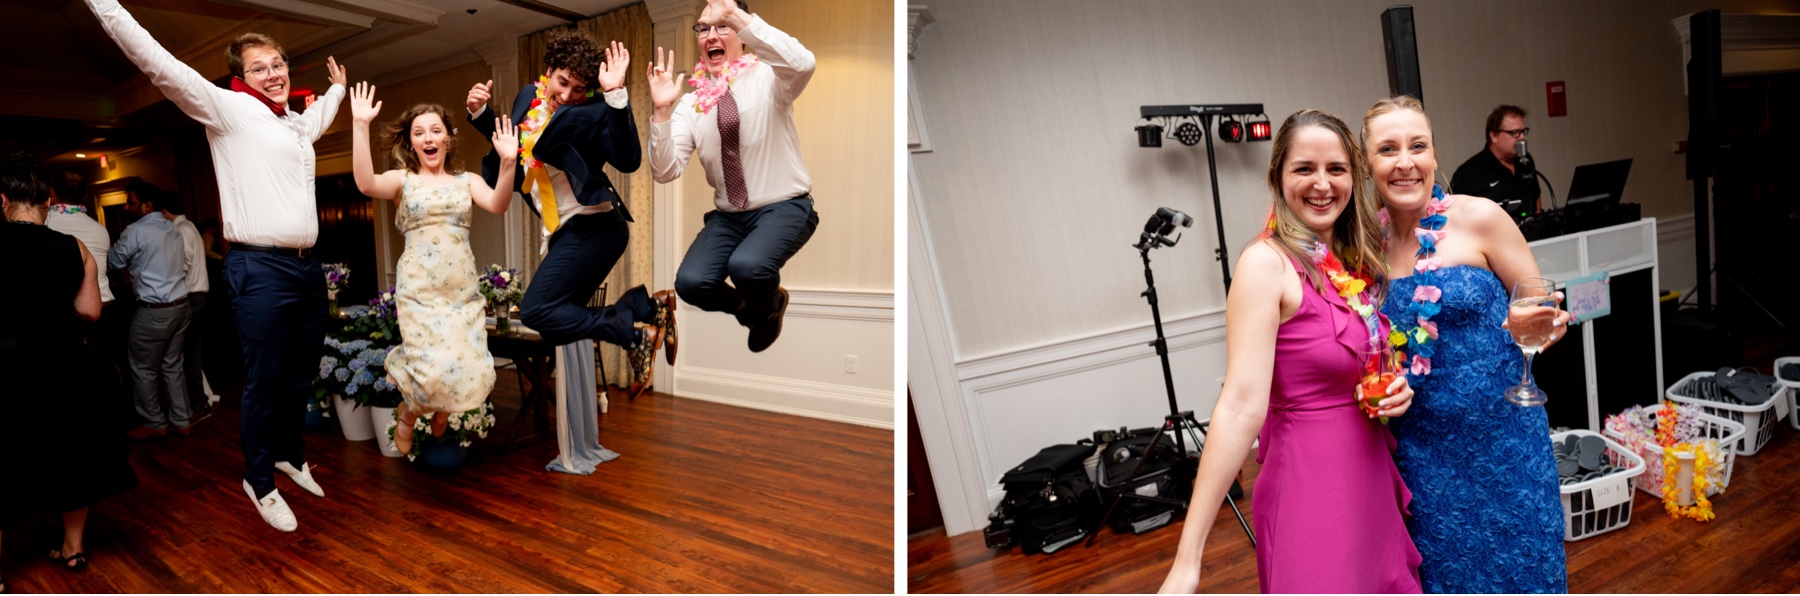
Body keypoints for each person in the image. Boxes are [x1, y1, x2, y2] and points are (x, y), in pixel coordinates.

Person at [82, 0, 344, 532]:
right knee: (265, 379)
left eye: (278, 64)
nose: (272, 74)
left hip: (305, 267)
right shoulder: (227, 110)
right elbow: (156, 61)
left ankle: (289, 455)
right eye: (259, 67)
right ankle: (259, 479)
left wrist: (338, 90)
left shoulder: (292, 126)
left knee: (300, 373)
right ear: (239, 76)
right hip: (260, 268)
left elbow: (316, 119)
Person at [1159, 110, 1420, 594]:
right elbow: (1240, 406)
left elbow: (1357, 363)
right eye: (1304, 168)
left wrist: (1393, 393)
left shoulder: (1347, 262)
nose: (1322, 184)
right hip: (1310, 488)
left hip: (1369, 478)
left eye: (1336, 169)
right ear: (1277, 176)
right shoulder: (1265, 264)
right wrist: (1188, 557)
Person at [1362, 96, 1572, 593]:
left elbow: (1544, 308)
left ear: (1435, 155)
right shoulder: (1365, 242)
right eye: (1387, 149)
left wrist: (1541, 325)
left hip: (1505, 436)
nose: (1405, 162)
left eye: (1418, 146)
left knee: (1526, 567)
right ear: (1367, 164)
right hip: (1422, 449)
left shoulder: (1482, 217)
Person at [466, 31, 673, 400]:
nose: (567, 95)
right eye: (562, 82)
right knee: (556, 319)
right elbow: (511, 145)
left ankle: (636, 333)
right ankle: (647, 307)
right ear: (550, 70)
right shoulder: (528, 97)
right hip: (564, 232)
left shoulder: (593, 112)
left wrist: (615, 96)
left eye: (579, 89)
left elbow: (629, 160)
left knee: (535, 311)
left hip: (596, 227)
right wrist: (480, 113)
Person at [351, 83, 519, 454]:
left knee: (468, 362)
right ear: (411, 143)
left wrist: (508, 163)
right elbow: (365, 183)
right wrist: (360, 125)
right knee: (428, 363)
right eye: (419, 133)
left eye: (436, 131)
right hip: (420, 289)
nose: (428, 138)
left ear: (448, 139)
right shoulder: (403, 181)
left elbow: (498, 203)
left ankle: (439, 411)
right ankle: (410, 413)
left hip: (460, 290)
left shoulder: (467, 181)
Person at [647, 0, 819, 354]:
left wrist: (736, 16)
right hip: (729, 218)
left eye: (721, 26)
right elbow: (665, 171)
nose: (711, 34)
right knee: (691, 283)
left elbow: (804, 64)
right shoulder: (691, 105)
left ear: (741, 34)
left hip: (783, 207)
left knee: (747, 266)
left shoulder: (770, 78)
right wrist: (662, 113)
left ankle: (770, 305)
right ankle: (750, 311)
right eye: (704, 28)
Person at [1, 151, 139, 589]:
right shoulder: (74, 247)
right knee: (71, 457)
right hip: (65, 365)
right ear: (48, 200)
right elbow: (91, 311)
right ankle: (73, 547)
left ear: (3, 200)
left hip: (7, 367)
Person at [110, 189, 194, 440]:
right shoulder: (172, 229)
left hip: (155, 311)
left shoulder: (136, 231)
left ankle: (154, 422)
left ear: (148, 205)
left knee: (143, 368)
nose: (126, 207)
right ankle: (182, 419)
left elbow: (113, 261)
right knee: (173, 365)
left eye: (131, 202)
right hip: (181, 306)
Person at [167, 196, 217, 421]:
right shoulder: (190, 227)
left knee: (184, 355)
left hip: (190, 298)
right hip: (197, 298)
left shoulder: (181, 230)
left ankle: (195, 404)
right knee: (191, 353)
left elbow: (184, 264)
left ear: (164, 211)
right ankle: (198, 403)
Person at [1448, 105, 1540, 212]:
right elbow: (1455, 214)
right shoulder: (1469, 173)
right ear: (1493, 136)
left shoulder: (1525, 160)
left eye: (1523, 131)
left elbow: (1536, 197)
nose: (1522, 137)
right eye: (1515, 133)